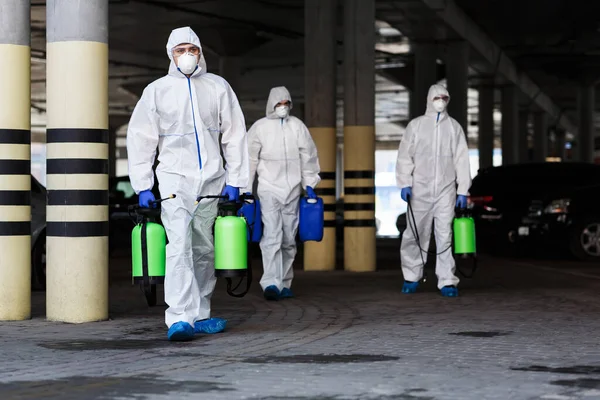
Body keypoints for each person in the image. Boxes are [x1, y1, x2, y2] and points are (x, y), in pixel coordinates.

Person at [127, 27, 249, 341]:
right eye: (180, 50)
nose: (186, 55)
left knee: (205, 248)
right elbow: (141, 140)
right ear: (171, 54)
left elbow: (234, 135)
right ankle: (179, 317)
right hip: (173, 179)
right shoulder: (157, 90)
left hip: (211, 178)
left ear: (200, 52)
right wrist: (142, 184)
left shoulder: (218, 87)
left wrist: (236, 180)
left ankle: (201, 312)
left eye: (191, 49)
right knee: (179, 247)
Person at [244, 86, 320, 301]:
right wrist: (246, 189)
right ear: (271, 104)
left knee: (288, 237)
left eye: (286, 104)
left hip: (293, 188)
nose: (283, 107)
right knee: (272, 236)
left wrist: (310, 182)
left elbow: (309, 155)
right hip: (268, 187)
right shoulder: (260, 128)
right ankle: (271, 283)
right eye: (279, 104)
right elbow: (249, 160)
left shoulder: (297, 126)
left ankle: (285, 281)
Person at [396, 84, 471, 297]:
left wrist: (463, 190)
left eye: (444, 98)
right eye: (437, 97)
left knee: (445, 235)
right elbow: (404, 156)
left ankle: (447, 280)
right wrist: (404, 183)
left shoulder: (454, 128)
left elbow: (462, 160)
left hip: (446, 190)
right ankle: (411, 276)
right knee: (415, 233)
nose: (441, 101)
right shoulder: (416, 126)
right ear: (429, 99)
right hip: (419, 189)